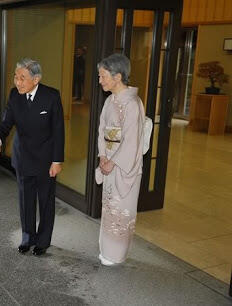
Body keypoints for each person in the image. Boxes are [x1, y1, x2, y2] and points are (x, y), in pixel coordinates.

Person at [0, 58, 65, 256]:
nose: (17, 82)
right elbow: (7, 122)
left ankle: (43, 241)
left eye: (22, 78)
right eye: (16, 77)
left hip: (45, 159)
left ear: (36, 79)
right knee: (26, 200)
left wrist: (57, 161)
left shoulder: (51, 96)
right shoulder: (15, 95)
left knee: (46, 201)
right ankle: (28, 237)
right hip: (23, 156)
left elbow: (58, 130)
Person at [96, 53, 145, 266]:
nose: (100, 80)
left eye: (103, 76)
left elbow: (132, 140)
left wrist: (112, 161)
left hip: (123, 166)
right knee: (108, 207)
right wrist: (102, 156)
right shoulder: (110, 100)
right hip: (109, 161)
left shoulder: (133, 103)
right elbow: (102, 131)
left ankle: (116, 255)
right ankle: (107, 250)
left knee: (120, 208)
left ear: (117, 77)